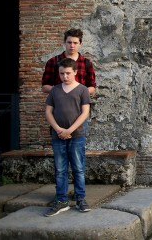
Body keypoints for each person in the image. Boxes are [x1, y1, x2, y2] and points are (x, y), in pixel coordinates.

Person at [44, 58, 92, 217]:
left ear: (75, 72)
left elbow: (85, 112)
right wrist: (58, 129)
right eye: (62, 74)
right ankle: (61, 200)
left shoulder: (82, 90)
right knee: (60, 169)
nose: (65, 76)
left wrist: (69, 130)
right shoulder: (55, 90)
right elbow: (48, 112)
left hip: (76, 135)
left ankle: (80, 198)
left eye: (68, 73)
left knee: (78, 168)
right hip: (58, 136)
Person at [42, 28, 96, 134]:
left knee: (78, 144)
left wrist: (77, 92)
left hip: (79, 109)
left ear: (80, 44)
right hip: (58, 110)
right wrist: (60, 91)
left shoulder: (86, 63)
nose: (72, 45)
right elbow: (44, 87)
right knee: (59, 143)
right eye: (69, 42)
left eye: (75, 43)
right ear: (64, 42)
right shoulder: (53, 62)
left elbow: (92, 88)